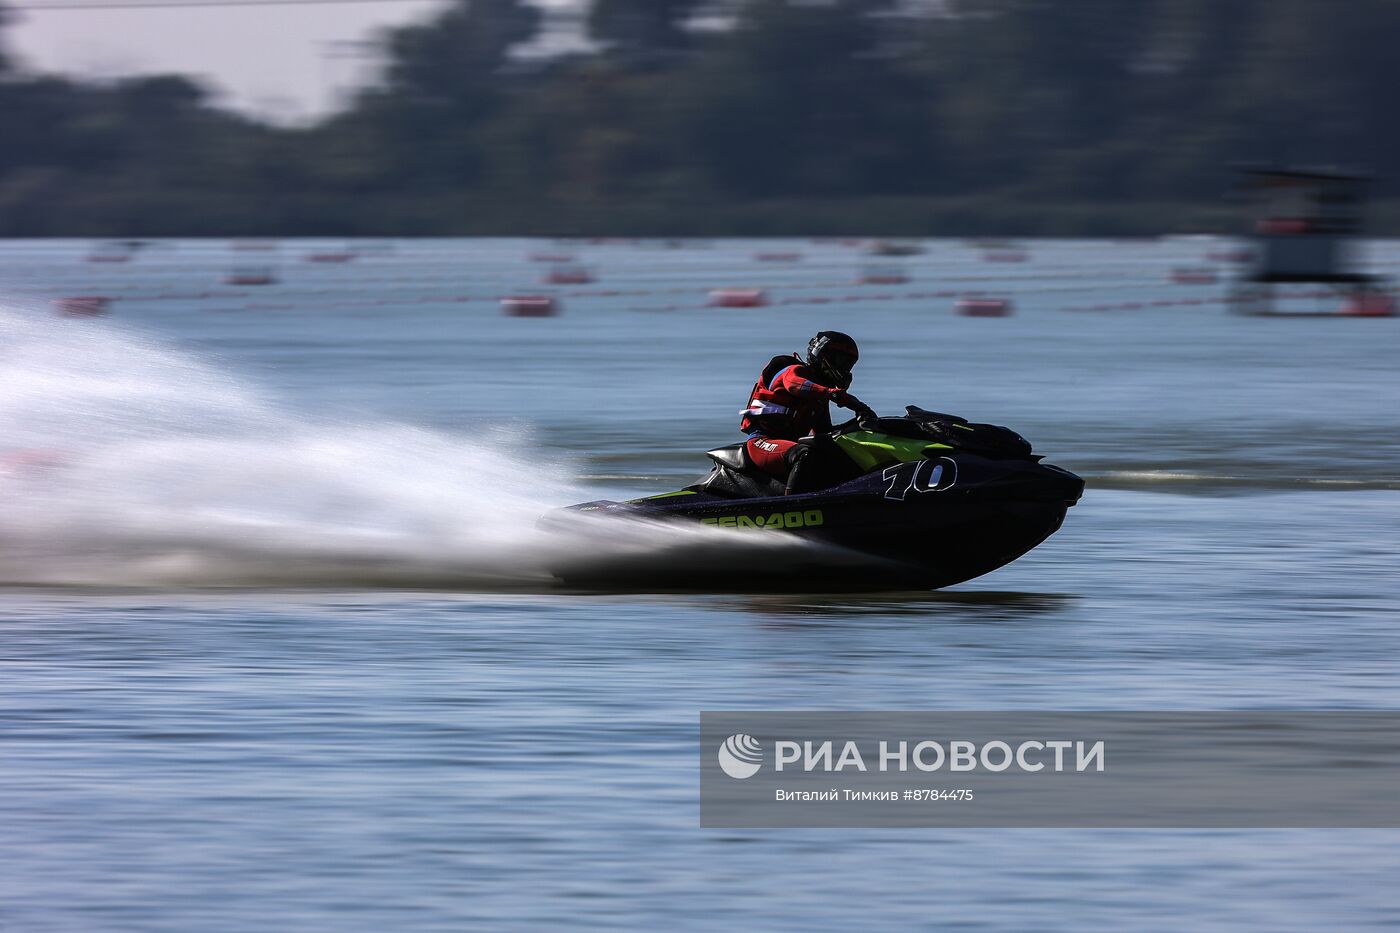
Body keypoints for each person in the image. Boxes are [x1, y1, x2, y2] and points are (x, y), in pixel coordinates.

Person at [740, 331, 876, 494]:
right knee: (804, 454)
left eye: (848, 363)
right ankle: (790, 507)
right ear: (822, 355)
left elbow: (824, 432)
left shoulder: (818, 398)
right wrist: (837, 396)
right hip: (761, 441)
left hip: (788, 445)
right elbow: (795, 385)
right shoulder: (795, 371)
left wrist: (857, 427)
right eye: (840, 360)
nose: (844, 367)